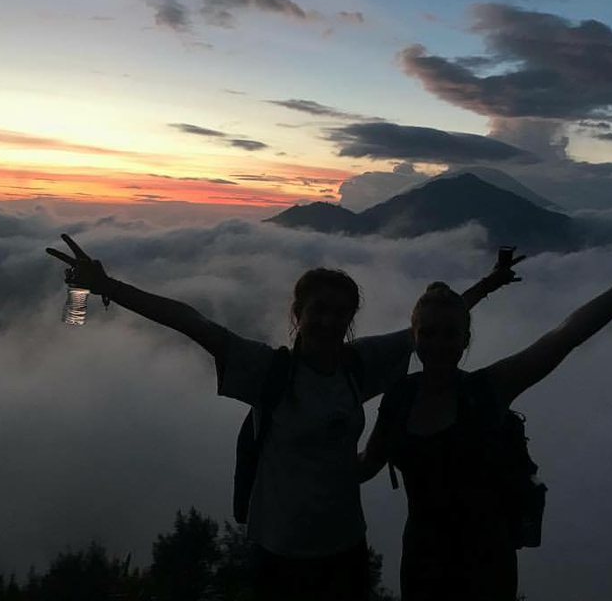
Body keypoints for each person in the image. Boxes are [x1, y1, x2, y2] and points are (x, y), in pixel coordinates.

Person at [46, 234, 521, 601]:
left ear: (352, 319)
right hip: (279, 553)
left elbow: (431, 328)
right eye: (320, 310)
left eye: (341, 313)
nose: (330, 321)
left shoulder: (359, 364)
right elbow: (190, 321)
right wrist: (108, 288)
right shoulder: (267, 371)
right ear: (298, 313)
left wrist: (489, 284)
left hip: (346, 548)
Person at [359, 231, 612, 601]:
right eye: (428, 333)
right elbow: (367, 464)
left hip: (485, 565)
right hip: (422, 561)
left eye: (449, 334)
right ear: (414, 336)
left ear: (465, 339)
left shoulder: (490, 389)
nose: (438, 343)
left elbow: (566, 335)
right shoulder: (398, 397)